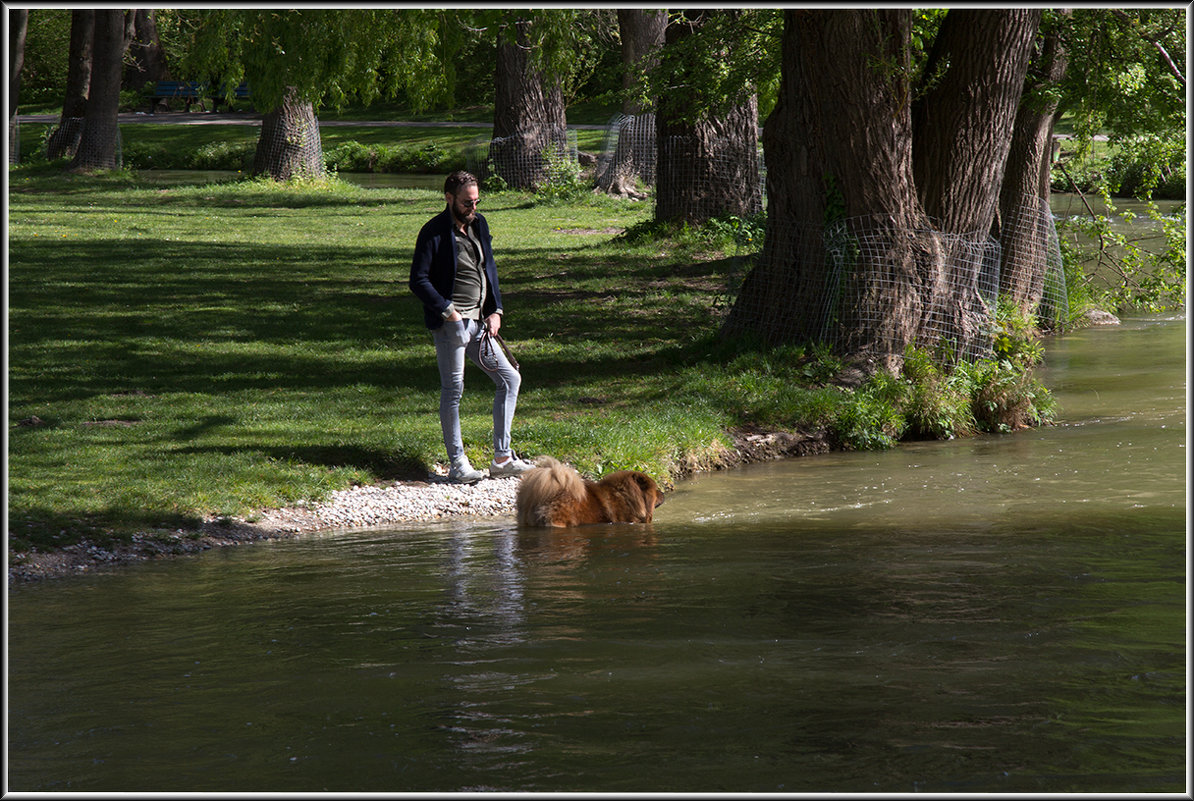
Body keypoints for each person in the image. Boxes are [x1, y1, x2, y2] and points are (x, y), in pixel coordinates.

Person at [410, 170, 536, 484]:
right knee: (454, 392)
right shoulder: (435, 232)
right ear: (449, 198)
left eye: (477, 201)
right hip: (451, 325)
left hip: (481, 323)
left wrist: (496, 310)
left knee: (510, 378)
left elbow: (488, 269)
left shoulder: (479, 225)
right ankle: (458, 464)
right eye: (467, 202)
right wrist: (448, 311)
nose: (473, 208)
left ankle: (502, 458)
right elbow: (418, 280)